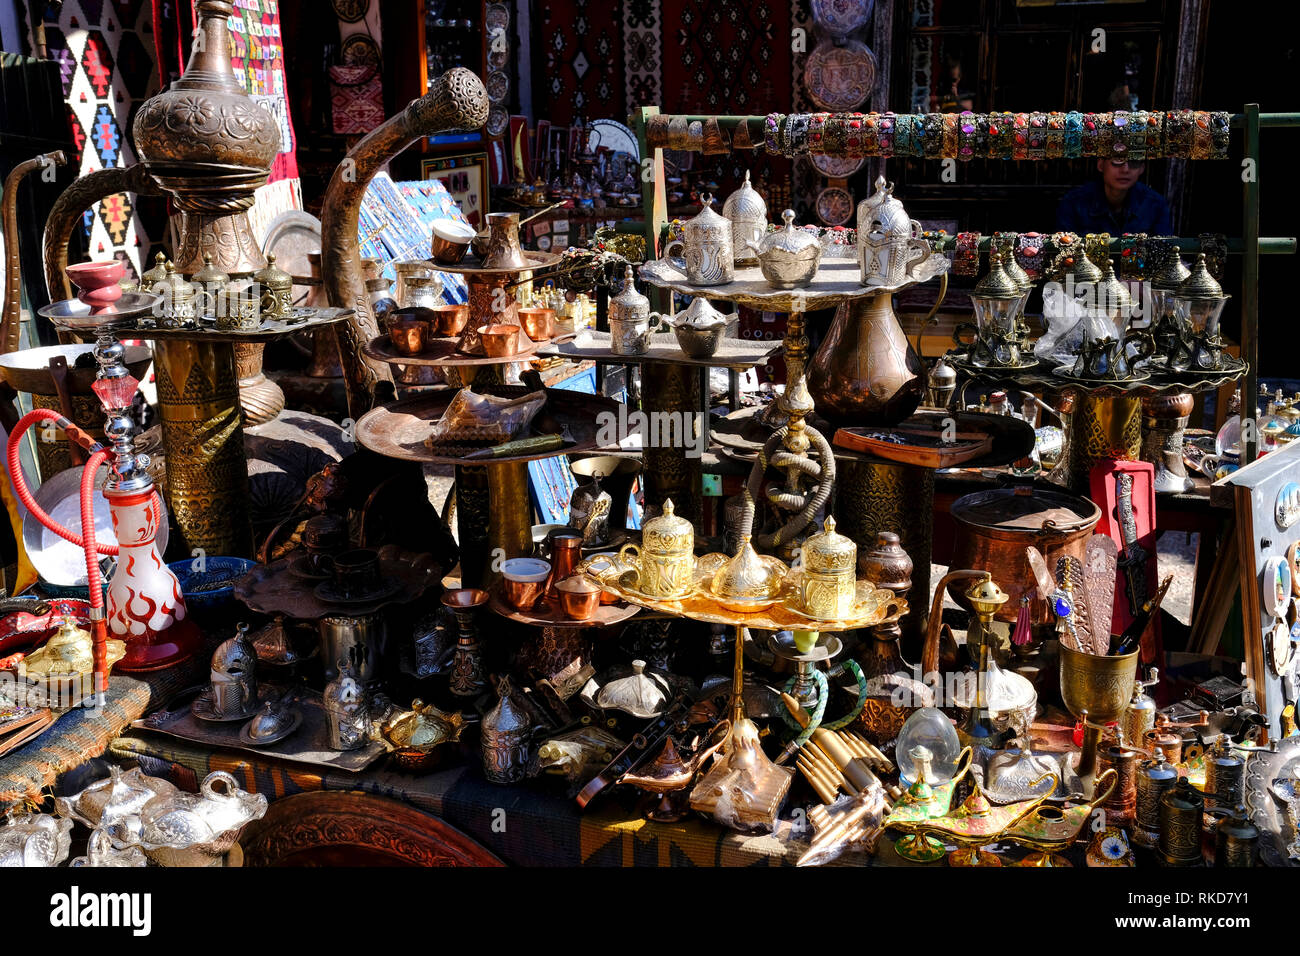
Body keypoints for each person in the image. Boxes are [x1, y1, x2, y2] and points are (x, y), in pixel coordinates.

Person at [1056, 158, 1172, 235]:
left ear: (1142, 168)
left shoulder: (1155, 204)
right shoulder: (1074, 202)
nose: (1125, 170)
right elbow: (1065, 257)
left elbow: (1165, 253)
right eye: (1117, 160)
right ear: (1101, 164)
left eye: (1134, 162)